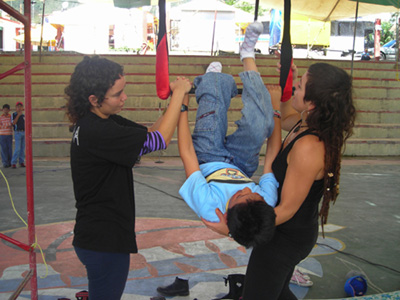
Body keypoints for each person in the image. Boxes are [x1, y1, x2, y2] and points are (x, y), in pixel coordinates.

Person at [203, 21, 356, 299]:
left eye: (299, 87)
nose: (295, 89)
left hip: (286, 236)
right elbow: (282, 117)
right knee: (278, 292)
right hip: (284, 231)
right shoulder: (306, 122)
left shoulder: (310, 146)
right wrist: (288, 84)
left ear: (312, 103)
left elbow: (285, 209)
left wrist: (235, 228)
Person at [65, 55, 191, 300]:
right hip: (104, 241)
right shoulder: (98, 131)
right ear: (94, 99)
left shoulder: (99, 120)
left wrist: (176, 102)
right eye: (117, 94)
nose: (124, 98)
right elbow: (161, 140)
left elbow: (151, 133)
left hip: (97, 236)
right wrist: (178, 96)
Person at [178, 61, 281, 249]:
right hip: (242, 164)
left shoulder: (210, 206)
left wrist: (182, 106)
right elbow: (271, 159)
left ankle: (214, 80)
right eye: (256, 195)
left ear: (226, 215)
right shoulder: (265, 204)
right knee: (261, 126)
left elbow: (187, 154)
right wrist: (275, 111)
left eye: (240, 196)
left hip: (207, 157)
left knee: (214, 96)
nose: (248, 190)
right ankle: (248, 58)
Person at [11, 101, 25, 169]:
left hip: (23, 132)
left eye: (20, 107)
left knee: (22, 148)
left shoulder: (24, 115)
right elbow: (13, 123)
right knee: (17, 148)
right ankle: (13, 162)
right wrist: (18, 115)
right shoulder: (14, 114)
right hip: (17, 132)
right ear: (16, 108)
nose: (19, 108)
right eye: (18, 107)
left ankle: (21, 161)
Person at [0, 104, 13, 168]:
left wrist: (5, 125)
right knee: (3, 149)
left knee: (9, 148)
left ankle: (10, 161)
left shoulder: (10, 117)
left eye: (6, 110)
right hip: (2, 135)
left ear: (9, 110)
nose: (5, 111)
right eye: (4, 109)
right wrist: (6, 125)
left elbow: (11, 124)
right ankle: (5, 162)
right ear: (2, 110)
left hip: (9, 134)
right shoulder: (1, 117)